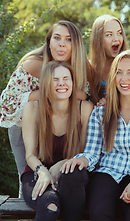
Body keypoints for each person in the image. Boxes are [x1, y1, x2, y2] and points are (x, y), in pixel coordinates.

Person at [63, 50, 130, 221]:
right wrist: (80, 159)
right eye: (118, 72)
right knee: (99, 214)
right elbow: (92, 152)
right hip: (108, 172)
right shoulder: (101, 112)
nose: (123, 79)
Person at [0, 20, 92, 197]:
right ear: (49, 42)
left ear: (76, 44)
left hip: (63, 125)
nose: (62, 44)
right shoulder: (33, 65)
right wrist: (47, 92)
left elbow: (87, 97)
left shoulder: (82, 66)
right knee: (29, 177)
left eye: (68, 39)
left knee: (61, 177)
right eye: (57, 38)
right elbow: (7, 102)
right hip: (26, 124)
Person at [21, 61, 94, 221]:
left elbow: (85, 153)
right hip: (37, 172)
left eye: (66, 78)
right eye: (55, 79)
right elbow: (30, 155)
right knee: (50, 205)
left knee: (72, 176)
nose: (61, 83)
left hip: (72, 176)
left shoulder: (84, 109)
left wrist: (61, 165)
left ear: (73, 82)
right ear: (46, 83)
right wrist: (43, 172)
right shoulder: (32, 109)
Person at [88, 14, 130, 103]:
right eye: (109, 35)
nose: (116, 39)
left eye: (119, 33)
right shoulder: (88, 69)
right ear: (98, 39)